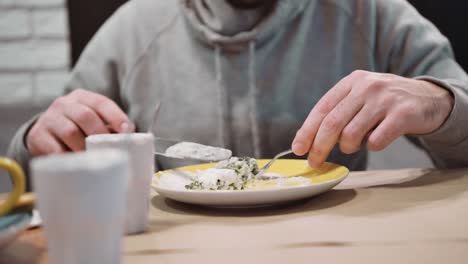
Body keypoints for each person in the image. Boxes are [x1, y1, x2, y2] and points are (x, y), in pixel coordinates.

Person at [8, 0, 468, 182]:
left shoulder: (368, 11)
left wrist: (440, 101)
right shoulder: (134, 28)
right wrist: (38, 140)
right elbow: (36, 163)